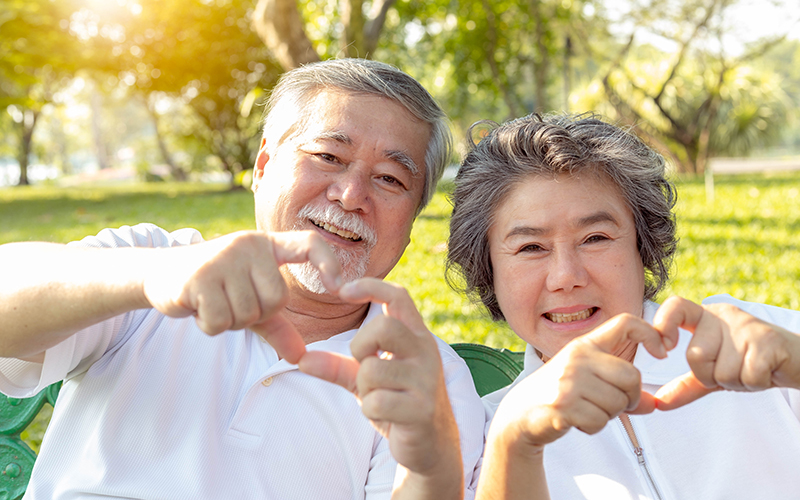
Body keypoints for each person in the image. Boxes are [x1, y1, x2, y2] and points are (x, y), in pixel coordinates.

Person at [0, 59, 485, 499]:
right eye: (328, 157)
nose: (351, 194)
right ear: (263, 165)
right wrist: (151, 278)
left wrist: (428, 465)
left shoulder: (424, 377)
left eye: (389, 179)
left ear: (413, 217)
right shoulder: (152, 260)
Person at [446, 113, 800, 499]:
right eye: (531, 247)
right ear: (488, 269)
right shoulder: (482, 438)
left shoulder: (759, 339)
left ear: (642, 246)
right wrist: (513, 440)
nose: (566, 276)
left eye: (595, 238)